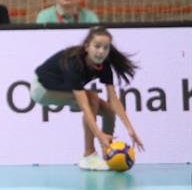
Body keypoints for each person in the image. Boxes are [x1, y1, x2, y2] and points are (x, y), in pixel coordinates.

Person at [31, 26, 144, 170]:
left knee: (108, 111)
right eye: (97, 46)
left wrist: (130, 129)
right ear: (86, 46)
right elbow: (85, 106)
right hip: (42, 89)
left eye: (105, 48)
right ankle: (89, 156)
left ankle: (108, 154)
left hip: (60, 88)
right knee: (92, 98)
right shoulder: (74, 63)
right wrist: (99, 135)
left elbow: (114, 100)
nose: (101, 51)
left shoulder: (104, 65)